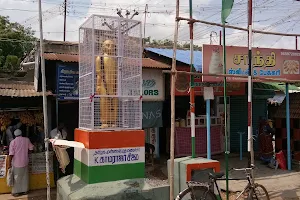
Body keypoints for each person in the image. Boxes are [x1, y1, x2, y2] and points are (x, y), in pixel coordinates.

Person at [7, 129, 34, 197]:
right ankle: (25, 191)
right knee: (25, 177)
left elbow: (11, 154)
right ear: (21, 134)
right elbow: (31, 148)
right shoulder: (26, 140)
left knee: (17, 177)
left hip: (16, 163)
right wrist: (26, 153)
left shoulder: (13, 142)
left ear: (14, 135)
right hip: (25, 161)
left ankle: (16, 192)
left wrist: (9, 163)